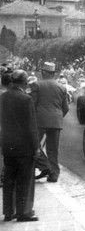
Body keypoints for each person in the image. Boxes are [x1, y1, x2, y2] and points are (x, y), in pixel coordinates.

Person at [1, 70, 39, 222]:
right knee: (25, 180)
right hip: (24, 147)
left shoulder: (2, 98)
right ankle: (23, 212)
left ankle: (8, 212)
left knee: (9, 179)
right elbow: (31, 126)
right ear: (24, 83)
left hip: (8, 145)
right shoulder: (26, 99)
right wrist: (36, 147)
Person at [30, 62, 69, 183]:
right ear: (53, 74)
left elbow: (32, 103)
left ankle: (45, 166)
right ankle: (53, 175)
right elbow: (66, 107)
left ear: (44, 73)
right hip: (56, 121)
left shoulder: (36, 85)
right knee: (53, 149)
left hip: (39, 120)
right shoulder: (62, 87)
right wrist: (57, 117)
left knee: (33, 144)